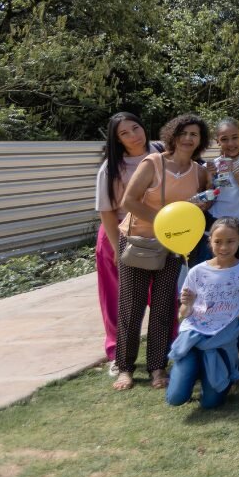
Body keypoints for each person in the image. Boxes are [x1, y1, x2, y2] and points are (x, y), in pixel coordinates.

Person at [116, 114, 213, 391]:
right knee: (131, 309)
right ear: (172, 135)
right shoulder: (153, 163)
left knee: (163, 309)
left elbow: (196, 208)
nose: (188, 138)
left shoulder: (199, 171)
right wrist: (164, 220)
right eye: (183, 133)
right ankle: (125, 368)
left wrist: (201, 207)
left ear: (200, 140)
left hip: (173, 247)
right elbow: (129, 201)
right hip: (139, 243)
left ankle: (158, 368)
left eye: (194, 134)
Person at [94, 112, 162, 375]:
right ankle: (117, 353)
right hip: (119, 235)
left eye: (136, 127)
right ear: (117, 139)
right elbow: (107, 211)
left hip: (158, 233)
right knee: (119, 299)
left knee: (165, 296)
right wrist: (116, 248)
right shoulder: (111, 167)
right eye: (125, 133)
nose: (134, 135)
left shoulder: (161, 152)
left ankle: (164, 352)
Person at [167, 218, 239, 409]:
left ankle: (233, 362)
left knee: (211, 404)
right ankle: (194, 367)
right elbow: (183, 314)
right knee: (175, 398)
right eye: (217, 241)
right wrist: (188, 304)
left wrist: (235, 325)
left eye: (230, 241)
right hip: (193, 337)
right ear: (210, 241)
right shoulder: (196, 271)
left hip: (221, 340)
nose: (223, 247)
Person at [200, 118, 239, 370]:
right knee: (213, 295)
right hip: (216, 234)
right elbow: (205, 200)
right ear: (217, 142)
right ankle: (211, 350)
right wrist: (209, 179)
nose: (230, 143)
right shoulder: (211, 167)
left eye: (235, 137)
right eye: (224, 139)